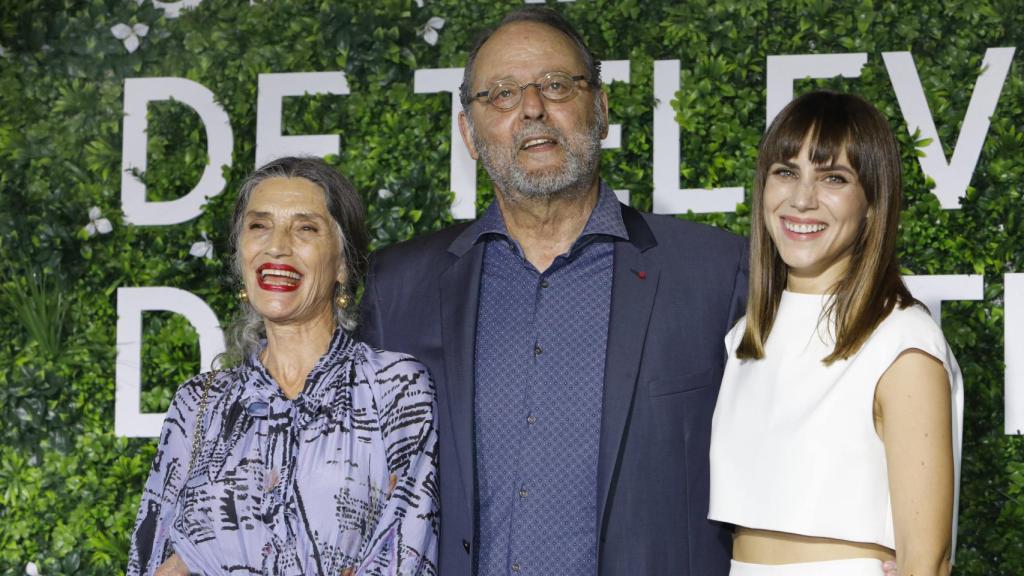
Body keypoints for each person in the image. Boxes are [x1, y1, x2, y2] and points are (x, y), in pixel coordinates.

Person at [359, 7, 746, 575]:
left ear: (602, 109)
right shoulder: (396, 287)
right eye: (502, 94)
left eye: (557, 85)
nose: (533, 108)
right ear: (468, 134)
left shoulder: (718, 273)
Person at [127, 157, 438, 576]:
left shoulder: (395, 388)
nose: (277, 246)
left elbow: (406, 556)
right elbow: (150, 560)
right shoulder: (198, 404)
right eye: (259, 226)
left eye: (305, 228)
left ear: (343, 264)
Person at [709, 91, 963, 575]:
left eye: (834, 178)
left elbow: (926, 561)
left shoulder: (902, 342)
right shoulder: (745, 338)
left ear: (872, 203)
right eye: (786, 172)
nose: (802, 199)